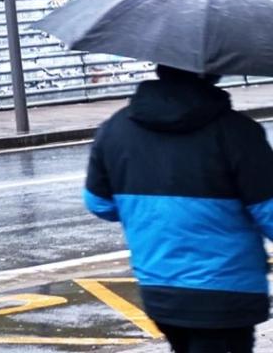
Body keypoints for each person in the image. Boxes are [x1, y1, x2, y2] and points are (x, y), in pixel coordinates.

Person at [85, 65, 273, 353]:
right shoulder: (239, 132)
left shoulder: (114, 129)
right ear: (214, 74)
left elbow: (99, 203)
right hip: (228, 293)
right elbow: (269, 212)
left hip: (160, 290)